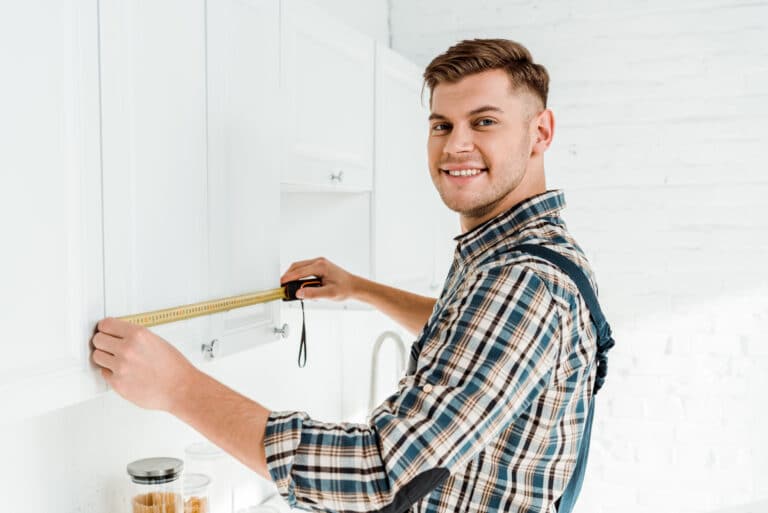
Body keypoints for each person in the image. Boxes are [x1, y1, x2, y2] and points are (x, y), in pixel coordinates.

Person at [92, 39, 605, 512]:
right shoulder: (527, 256)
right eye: (442, 125)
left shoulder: (521, 282)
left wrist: (179, 388)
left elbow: (377, 475)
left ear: (541, 132)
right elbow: (473, 333)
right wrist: (359, 288)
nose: (455, 146)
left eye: (485, 122)